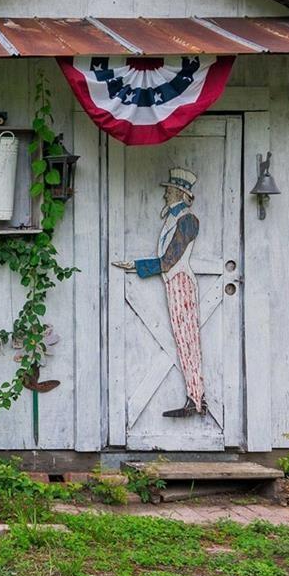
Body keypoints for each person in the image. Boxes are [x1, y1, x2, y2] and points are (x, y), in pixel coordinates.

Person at [113, 166, 205, 418]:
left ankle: (196, 399)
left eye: (169, 191)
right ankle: (195, 398)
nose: (165, 196)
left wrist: (135, 265)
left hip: (181, 282)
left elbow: (169, 259)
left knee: (188, 339)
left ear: (179, 193)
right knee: (182, 339)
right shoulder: (174, 218)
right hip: (173, 282)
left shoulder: (187, 220)